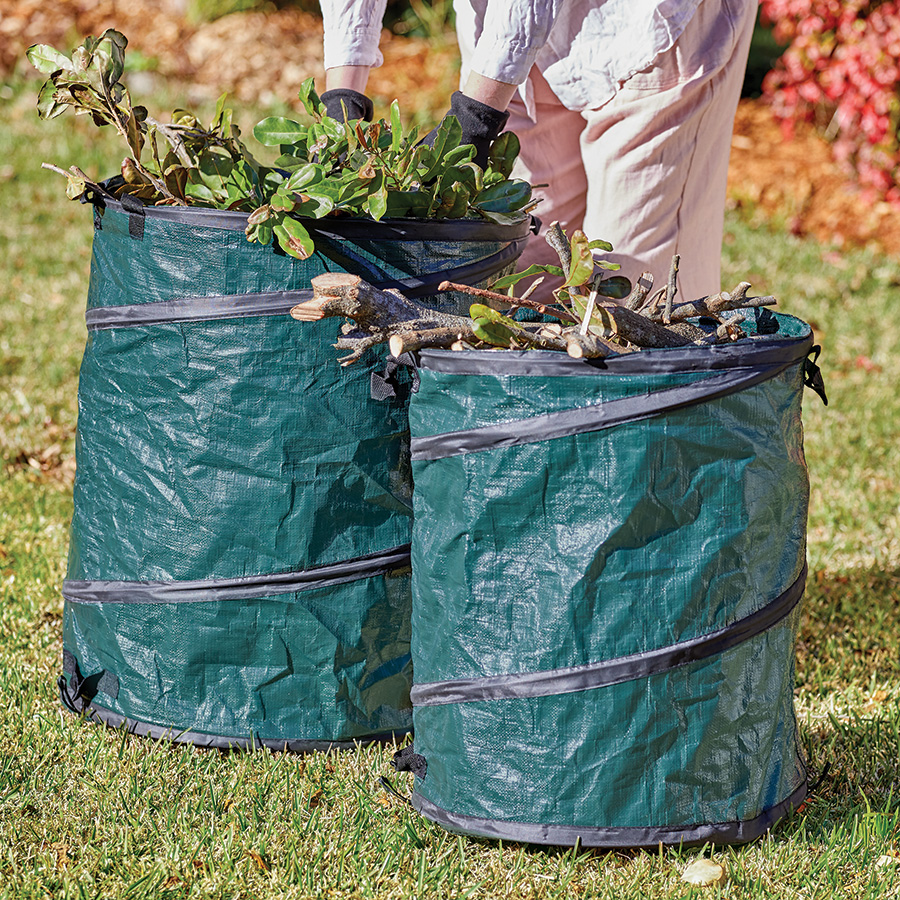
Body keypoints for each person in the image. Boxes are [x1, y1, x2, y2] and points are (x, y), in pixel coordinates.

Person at [317, 0, 757, 302]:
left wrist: (476, 115)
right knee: (523, 279)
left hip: (646, 28)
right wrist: (343, 95)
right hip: (512, 40)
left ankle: (662, 436)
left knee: (633, 292)